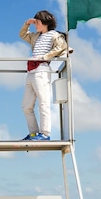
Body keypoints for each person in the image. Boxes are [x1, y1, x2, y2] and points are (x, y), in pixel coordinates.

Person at [19, 10, 68, 141]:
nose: (36, 25)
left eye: (37, 22)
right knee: (26, 106)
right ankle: (34, 133)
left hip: (41, 69)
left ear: (45, 22)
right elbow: (22, 34)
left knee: (43, 102)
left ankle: (45, 133)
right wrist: (27, 24)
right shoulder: (36, 36)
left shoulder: (54, 35)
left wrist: (45, 56)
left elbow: (62, 47)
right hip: (30, 71)